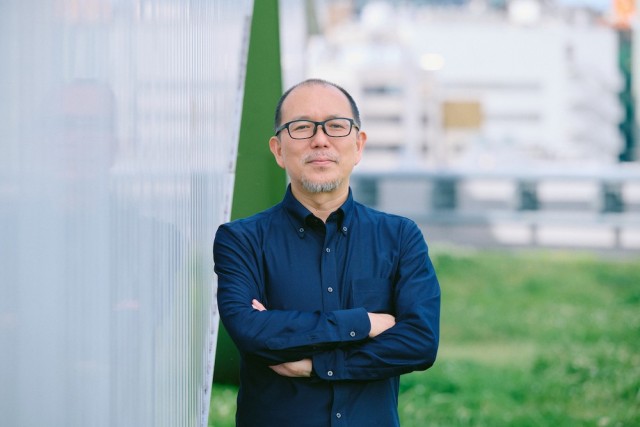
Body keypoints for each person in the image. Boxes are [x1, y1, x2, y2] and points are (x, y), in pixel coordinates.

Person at [213, 78, 440, 426]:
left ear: (358, 145)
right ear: (278, 149)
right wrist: (365, 322)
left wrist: (316, 365)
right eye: (302, 127)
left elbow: (420, 342)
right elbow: (251, 332)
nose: (320, 139)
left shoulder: (399, 237)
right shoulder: (241, 240)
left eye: (336, 126)